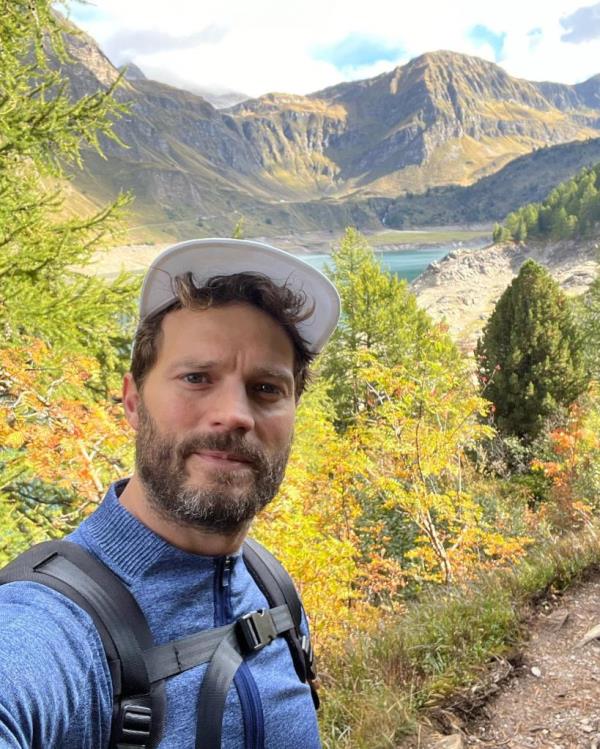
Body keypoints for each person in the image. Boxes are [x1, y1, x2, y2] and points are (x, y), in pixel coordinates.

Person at [0, 238, 341, 749]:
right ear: (134, 403)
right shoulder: (53, 627)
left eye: (266, 389)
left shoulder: (271, 591)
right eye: (197, 378)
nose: (236, 414)